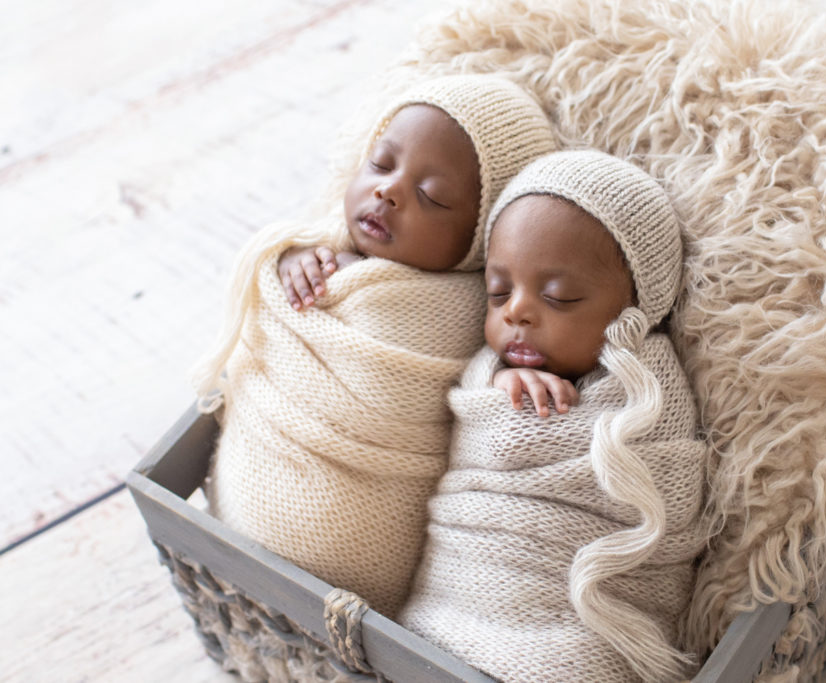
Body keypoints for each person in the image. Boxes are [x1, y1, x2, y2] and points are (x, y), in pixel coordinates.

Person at [192, 74, 558, 620]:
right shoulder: (322, 254)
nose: (389, 191)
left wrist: (506, 378)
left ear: (481, 240)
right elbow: (266, 306)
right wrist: (287, 260)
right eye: (382, 165)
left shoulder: (473, 311)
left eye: (432, 197)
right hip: (254, 488)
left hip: (362, 554)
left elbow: (485, 390)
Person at [399, 150, 708, 682]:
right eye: (499, 291)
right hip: (455, 599)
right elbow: (483, 428)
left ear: (634, 310)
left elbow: (670, 501)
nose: (516, 310)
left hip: (576, 621)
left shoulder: (650, 386)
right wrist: (499, 386)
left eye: (559, 296)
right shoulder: (490, 370)